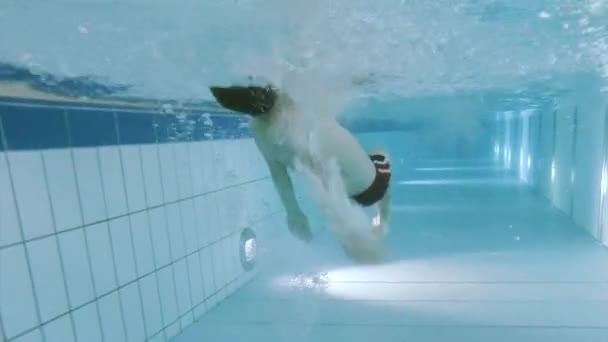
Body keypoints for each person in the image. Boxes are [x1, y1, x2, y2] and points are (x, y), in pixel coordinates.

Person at [209, 84, 392, 263]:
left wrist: (294, 212)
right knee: (380, 155)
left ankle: (367, 236)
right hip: (368, 186)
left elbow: (279, 175)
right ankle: (382, 220)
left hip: (340, 194)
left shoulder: (261, 131)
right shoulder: (302, 104)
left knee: (339, 201)